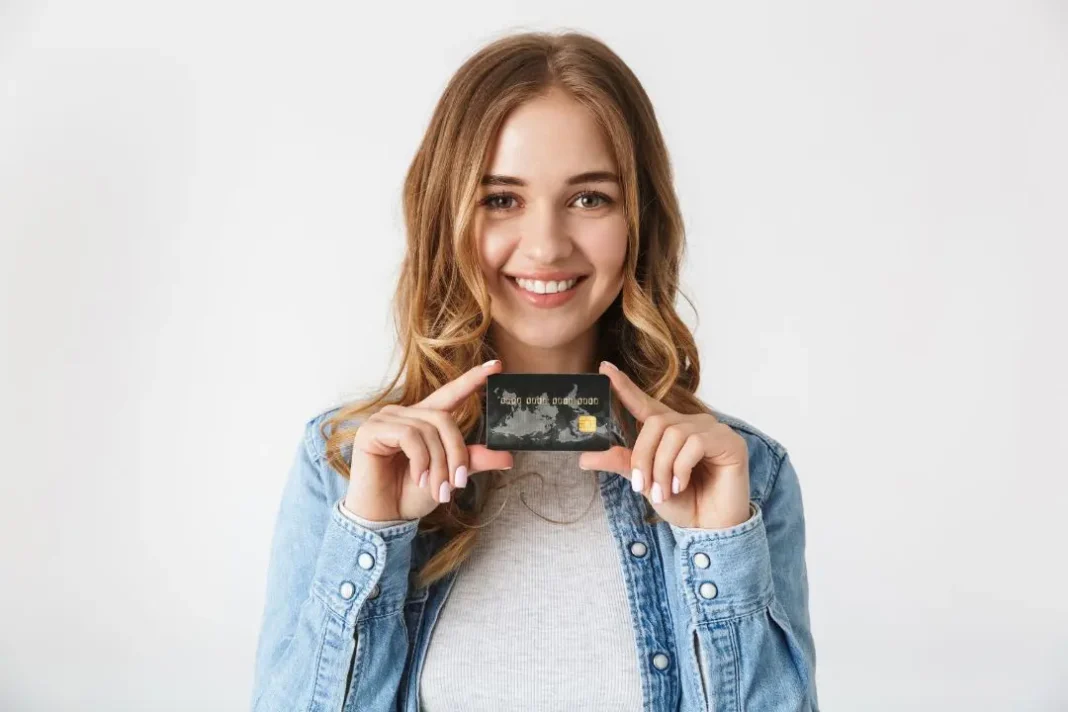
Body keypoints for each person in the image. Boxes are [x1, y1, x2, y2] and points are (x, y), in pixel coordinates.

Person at [250, 30, 818, 712]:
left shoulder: (743, 476)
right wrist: (371, 533)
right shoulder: (344, 466)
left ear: (640, 220)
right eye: (501, 199)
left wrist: (717, 544)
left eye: (589, 198)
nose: (546, 246)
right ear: (445, 217)